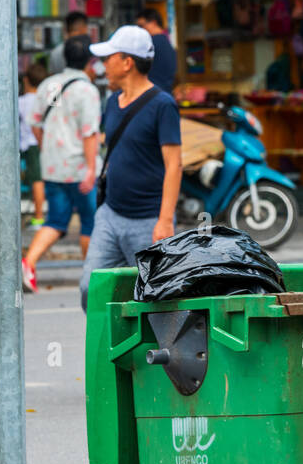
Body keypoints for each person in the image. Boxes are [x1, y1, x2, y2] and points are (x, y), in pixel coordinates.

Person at [79, 25, 182, 312]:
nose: (103, 66)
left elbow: (174, 164)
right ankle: (111, 353)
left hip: (148, 221)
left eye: (109, 58)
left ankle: (147, 355)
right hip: (110, 215)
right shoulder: (112, 102)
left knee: (154, 301)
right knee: (91, 287)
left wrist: (165, 220)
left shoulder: (163, 105)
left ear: (127, 62)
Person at [24, 35, 101, 294]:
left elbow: (35, 123)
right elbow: (90, 133)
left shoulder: (48, 85)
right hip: (80, 168)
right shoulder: (87, 90)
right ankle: (91, 275)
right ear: (90, 61)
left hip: (53, 166)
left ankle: (29, 263)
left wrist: (48, 147)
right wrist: (91, 169)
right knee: (90, 222)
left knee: (56, 220)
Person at [18, 62, 48, 227]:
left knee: (36, 180)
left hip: (30, 144)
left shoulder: (21, 101)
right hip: (43, 144)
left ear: (27, 80)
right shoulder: (46, 100)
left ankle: (38, 216)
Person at [137, 8, 177, 95]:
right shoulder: (166, 41)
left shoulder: (151, 43)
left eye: (141, 26)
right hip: (165, 93)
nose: (140, 30)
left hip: (152, 95)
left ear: (153, 23)